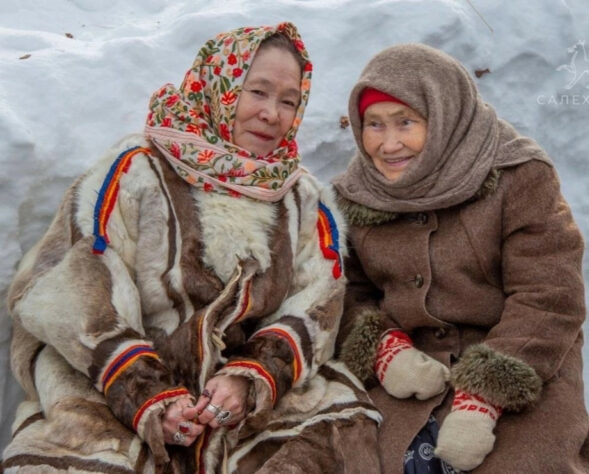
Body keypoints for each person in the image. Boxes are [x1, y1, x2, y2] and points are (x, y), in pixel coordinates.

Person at [2, 23, 381, 473]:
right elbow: (70, 287)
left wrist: (251, 379)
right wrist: (146, 393)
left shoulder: (300, 197)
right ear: (219, 85)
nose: (271, 114)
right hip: (117, 384)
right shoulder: (135, 170)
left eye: (288, 101)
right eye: (257, 92)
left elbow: (318, 301)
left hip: (247, 396)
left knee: (327, 448)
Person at [333, 44, 589, 473]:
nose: (388, 144)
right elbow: (348, 291)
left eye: (406, 122)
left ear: (443, 115)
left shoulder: (519, 176)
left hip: (523, 362)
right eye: (375, 124)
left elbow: (549, 295)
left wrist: (483, 396)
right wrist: (383, 349)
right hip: (411, 375)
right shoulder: (358, 192)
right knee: (370, 459)